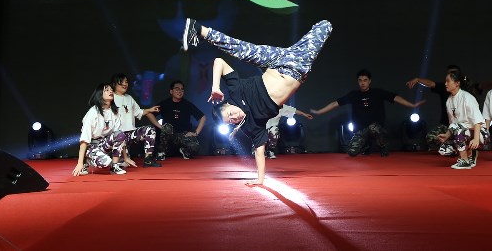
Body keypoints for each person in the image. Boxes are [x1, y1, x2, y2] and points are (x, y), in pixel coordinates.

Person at [182, 17, 332, 185]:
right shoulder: (251, 125)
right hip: (299, 66)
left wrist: (215, 86)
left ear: (229, 105)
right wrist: (260, 179)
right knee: (326, 26)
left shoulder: (235, 91)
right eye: (231, 121)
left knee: (242, 49)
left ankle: (199, 29)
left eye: (230, 114)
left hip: (277, 61)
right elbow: (259, 151)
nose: (234, 118)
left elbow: (219, 62)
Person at [311, 69, 424, 157]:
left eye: (365, 80)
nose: (362, 83)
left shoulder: (377, 92)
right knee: (351, 152)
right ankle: (366, 146)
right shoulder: (354, 95)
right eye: (360, 80)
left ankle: (383, 145)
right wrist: (320, 111)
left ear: (369, 81)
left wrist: (412, 105)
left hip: (376, 128)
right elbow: (335, 103)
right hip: (361, 130)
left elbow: (395, 98)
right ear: (358, 82)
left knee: (373, 127)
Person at [436, 70, 489, 170]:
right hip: (464, 132)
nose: (445, 84)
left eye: (448, 81)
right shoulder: (449, 100)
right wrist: (446, 135)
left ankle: (465, 160)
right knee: (444, 150)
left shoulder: (467, 97)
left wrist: (476, 139)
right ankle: (471, 153)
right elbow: (453, 124)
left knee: (457, 128)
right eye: (445, 81)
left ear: (457, 83)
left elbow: (477, 121)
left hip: (480, 133)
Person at [73, 83, 129, 176]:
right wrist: (79, 163)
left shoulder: (115, 112)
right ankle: (87, 161)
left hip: (105, 144)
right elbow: (84, 139)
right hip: (92, 146)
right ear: (99, 95)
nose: (111, 91)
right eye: (106, 90)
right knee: (105, 162)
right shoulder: (93, 112)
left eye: (111, 90)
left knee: (120, 135)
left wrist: (126, 157)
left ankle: (114, 166)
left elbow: (119, 135)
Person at [111, 73, 163, 168]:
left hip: (131, 134)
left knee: (150, 130)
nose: (125, 84)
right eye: (122, 82)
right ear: (114, 84)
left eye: (126, 82)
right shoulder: (110, 98)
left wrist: (150, 109)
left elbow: (138, 112)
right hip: (118, 136)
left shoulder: (129, 98)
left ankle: (148, 159)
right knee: (123, 165)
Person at [155, 80, 206, 159]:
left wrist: (196, 133)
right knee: (167, 127)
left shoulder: (187, 104)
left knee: (195, 147)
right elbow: (149, 113)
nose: (180, 91)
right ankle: (161, 152)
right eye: (177, 89)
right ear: (171, 91)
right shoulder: (165, 103)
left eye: (182, 89)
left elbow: (203, 117)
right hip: (169, 135)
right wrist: (159, 126)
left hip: (183, 135)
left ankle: (184, 151)